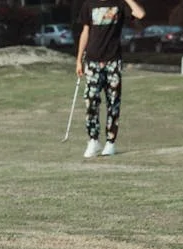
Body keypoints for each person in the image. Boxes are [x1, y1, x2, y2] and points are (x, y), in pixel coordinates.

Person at [75, 0, 146, 157]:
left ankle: (110, 142)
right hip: (92, 60)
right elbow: (85, 32)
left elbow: (140, 14)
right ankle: (93, 140)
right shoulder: (89, 4)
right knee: (91, 99)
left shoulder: (119, 4)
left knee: (113, 102)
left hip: (113, 60)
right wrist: (79, 59)